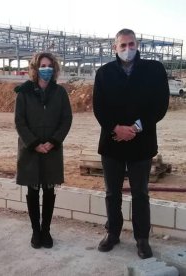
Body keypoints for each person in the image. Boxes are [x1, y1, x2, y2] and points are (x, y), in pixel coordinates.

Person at [93, 28, 169, 259]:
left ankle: (142, 238)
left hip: (141, 142)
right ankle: (113, 233)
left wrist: (135, 127)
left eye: (131, 44)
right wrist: (116, 128)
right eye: (123, 45)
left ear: (138, 45)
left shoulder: (153, 70)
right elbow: (99, 107)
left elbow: (160, 103)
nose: (128, 49)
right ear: (115, 48)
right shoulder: (104, 73)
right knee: (111, 193)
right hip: (113, 141)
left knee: (140, 193)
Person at [14, 52, 73, 249]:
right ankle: (35, 231)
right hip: (31, 149)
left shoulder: (60, 92)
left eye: (49, 65)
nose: (46, 69)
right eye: (42, 65)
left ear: (54, 68)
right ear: (35, 68)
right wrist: (34, 143)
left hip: (52, 150)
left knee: (49, 189)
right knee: (33, 189)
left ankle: (46, 230)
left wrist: (53, 142)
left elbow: (66, 120)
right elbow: (19, 121)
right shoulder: (24, 92)